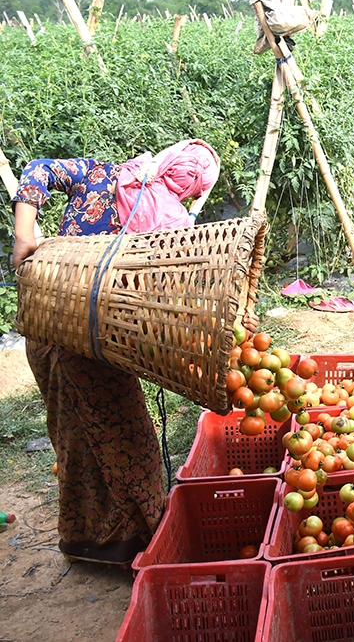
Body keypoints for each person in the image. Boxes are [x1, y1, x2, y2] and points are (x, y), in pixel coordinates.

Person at [11, 140, 226, 564]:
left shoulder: (101, 174)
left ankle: (81, 541)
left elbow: (36, 170)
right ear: (195, 190)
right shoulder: (170, 225)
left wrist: (24, 239)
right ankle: (135, 544)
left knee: (73, 437)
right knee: (128, 441)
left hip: (44, 325)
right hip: (95, 346)